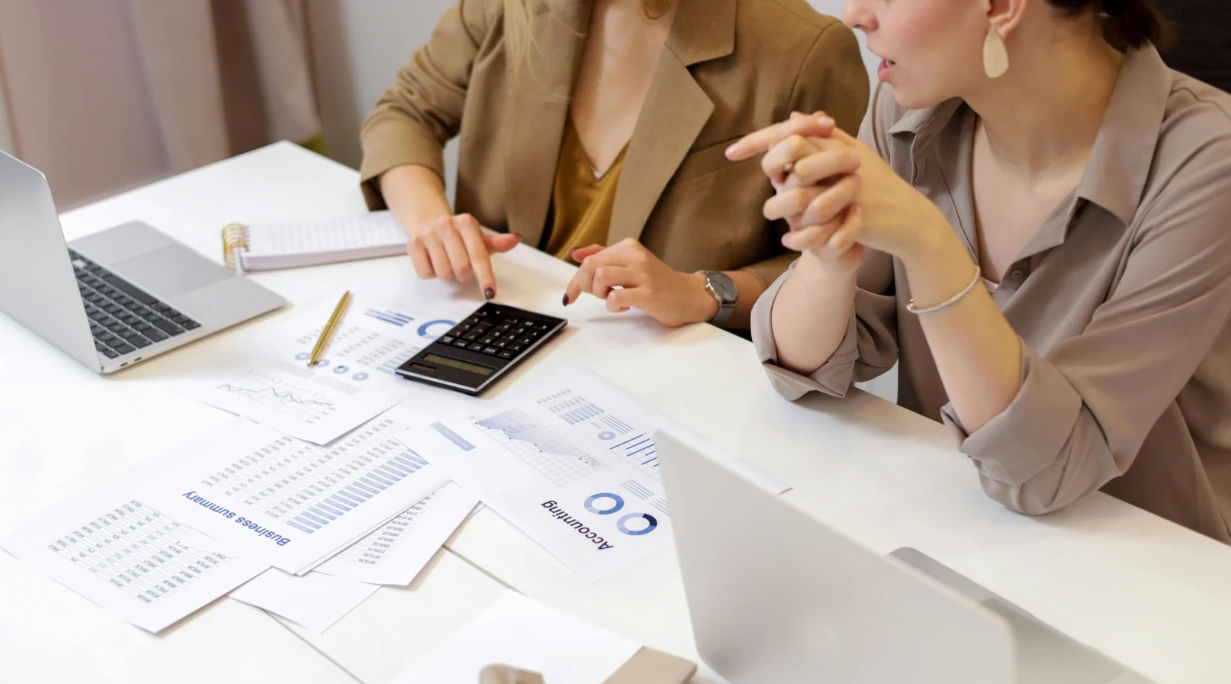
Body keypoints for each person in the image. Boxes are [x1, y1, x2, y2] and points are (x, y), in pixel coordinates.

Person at [727, 0, 1231, 541]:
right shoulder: (908, 112)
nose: (854, 14)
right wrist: (827, 257)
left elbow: (1048, 472)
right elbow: (801, 370)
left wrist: (928, 243)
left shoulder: (1207, 165)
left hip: (1156, 576)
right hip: (960, 536)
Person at [359, 0, 868, 329]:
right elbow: (405, 113)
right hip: (489, 332)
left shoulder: (803, 50)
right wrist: (431, 223)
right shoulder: (509, 8)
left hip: (670, 385)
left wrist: (704, 291)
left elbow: (844, 262)